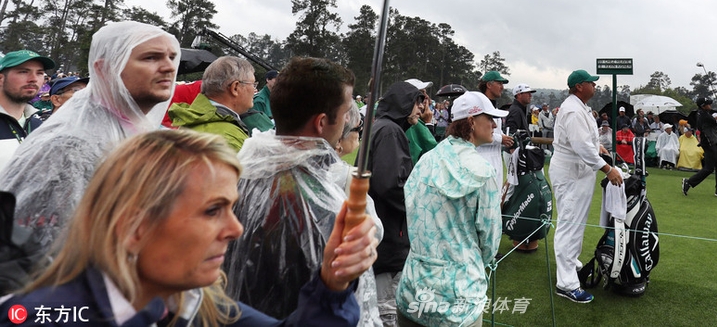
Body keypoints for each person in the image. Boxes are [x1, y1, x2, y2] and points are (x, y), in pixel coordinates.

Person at [0, 128, 376, 327]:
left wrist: (332, 282)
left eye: (233, 207)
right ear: (134, 225)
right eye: (212, 210)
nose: (236, 229)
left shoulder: (196, 308)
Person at [224, 57, 382, 326]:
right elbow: (349, 307)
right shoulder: (327, 203)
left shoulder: (236, 172)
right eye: (346, 113)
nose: (348, 122)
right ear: (322, 123)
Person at [0, 21, 179, 251]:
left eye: (172, 57)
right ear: (105, 69)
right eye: (151, 58)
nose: (169, 67)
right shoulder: (71, 144)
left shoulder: (140, 133)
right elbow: (38, 248)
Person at [396, 91, 503, 326]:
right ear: (472, 121)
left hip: (413, 289)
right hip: (460, 299)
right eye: (490, 118)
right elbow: (490, 239)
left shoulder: (427, 160)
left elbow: (411, 209)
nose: (495, 124)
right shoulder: (483, 172)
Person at [549, 69, 623, 304]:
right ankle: (566, 283)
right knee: (569, 223)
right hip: (571, 171)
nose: (595, 85)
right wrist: (607, 169)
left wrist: (597, 148)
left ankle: (570, 264)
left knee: (576, 221)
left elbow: (584, 141)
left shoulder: (578, 107)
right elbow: (580, 146)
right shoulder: (572, 110)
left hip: (578, 172)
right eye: (591, 82)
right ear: (579, 86)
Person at [367, 81, 421, 327]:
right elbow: (389, 184)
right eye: (416, 102)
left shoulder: (384, 128)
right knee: (387, 311)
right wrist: (417, 207)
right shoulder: (390, 131)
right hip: (388, 235)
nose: (420, 109)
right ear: (403, 104)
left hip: (382, 230)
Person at [169, 56, 257, 152]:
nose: (254, 90)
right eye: (253, 84)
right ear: (235, 88)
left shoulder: (191, 120)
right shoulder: (230, 139)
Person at [0, 50, 55, 171]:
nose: (33, 79)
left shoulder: (38, 125)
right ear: (1, 79)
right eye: (23, 72)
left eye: (40, 73)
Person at [476, 71, 514, 187]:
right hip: (482, 157)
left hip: (496, 156)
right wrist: (500, 139)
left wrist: (506, 138)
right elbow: (477, 133)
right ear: (489, 85)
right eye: (499, 84)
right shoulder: (479, 106)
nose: (502, 87)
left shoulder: (494, 106)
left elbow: (497, 131)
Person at [682, 97, 717, 199]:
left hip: (714, 142)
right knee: (709, 168)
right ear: (703, 106)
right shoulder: (704, 115)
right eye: (708, 104)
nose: (710, 105)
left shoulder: (702, 114)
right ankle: (688, 182)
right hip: (709, 143)